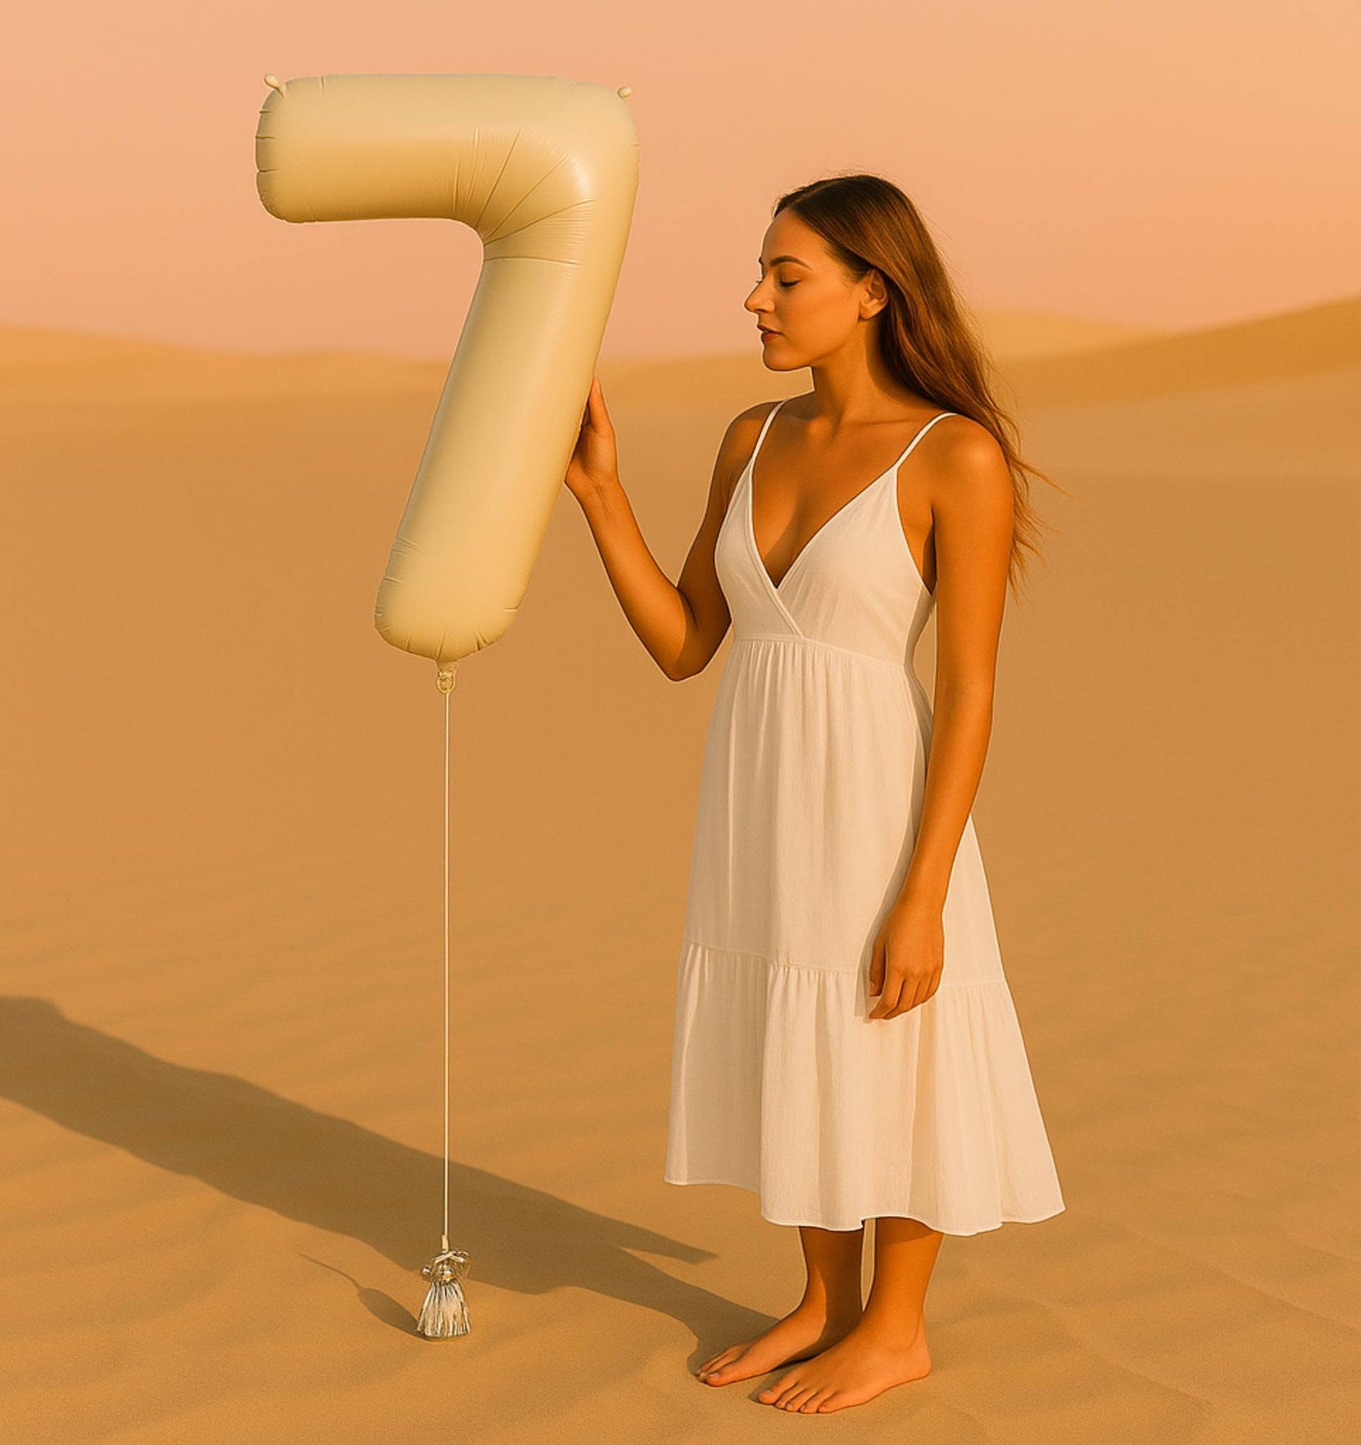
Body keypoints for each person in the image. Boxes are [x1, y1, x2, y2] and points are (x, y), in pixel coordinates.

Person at [564, 172, 1066, 1416]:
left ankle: (894, 1328)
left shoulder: (956, 453)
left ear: (870, 291)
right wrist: (599, 494)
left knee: (893, 1038)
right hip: (759, 797)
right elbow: (686, 641)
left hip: (876, 802)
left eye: (785, 277)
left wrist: (926, 890)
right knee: (796, 1027)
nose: (756, 298)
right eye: (762, 273)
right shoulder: (754, 436)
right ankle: (823, 1299)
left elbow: (969, 692)